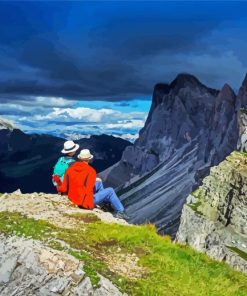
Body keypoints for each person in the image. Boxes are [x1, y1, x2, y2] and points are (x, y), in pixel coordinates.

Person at [57, 149, 129, 220]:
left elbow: (64, 187)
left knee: (98, 183)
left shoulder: (70, 169)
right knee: (110, 191)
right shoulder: (90, 171)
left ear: (79, 158)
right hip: (84, 201)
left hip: (73, 198)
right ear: (89, 159)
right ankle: (121, 212)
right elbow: (88, 189)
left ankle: (105, 205)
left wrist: (58, 183)